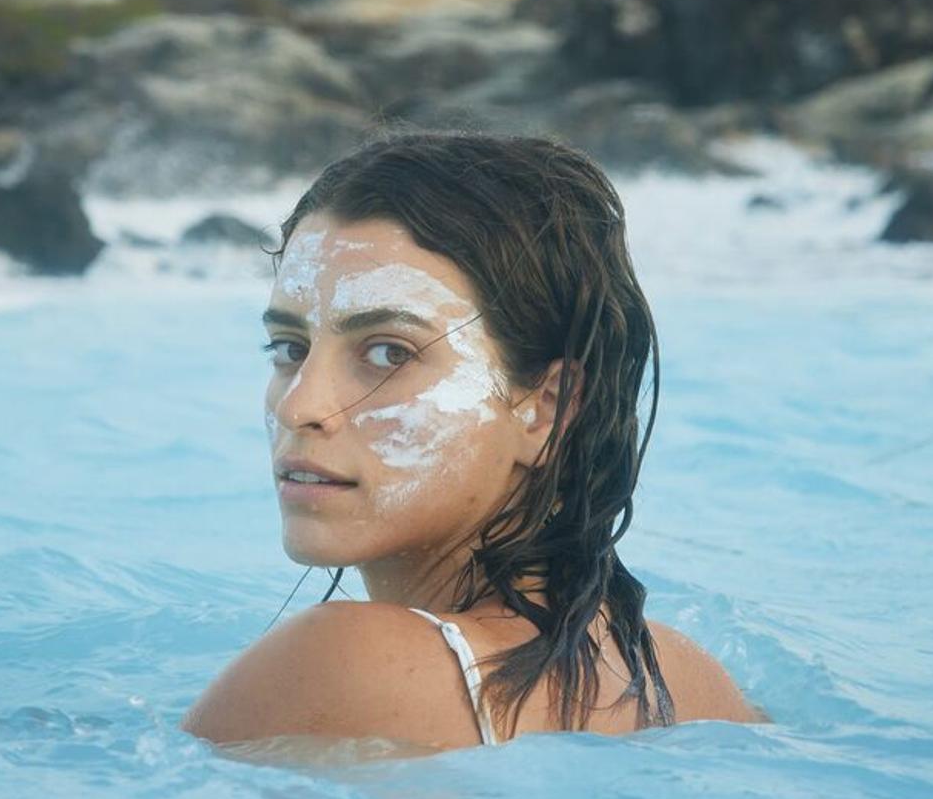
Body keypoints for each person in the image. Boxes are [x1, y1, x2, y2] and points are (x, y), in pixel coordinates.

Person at [184, 130, 762, 755]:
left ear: (547, 407)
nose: (301, 405)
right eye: (289, 349)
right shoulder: (691, 684)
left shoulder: (335, 662)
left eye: (387, 353)